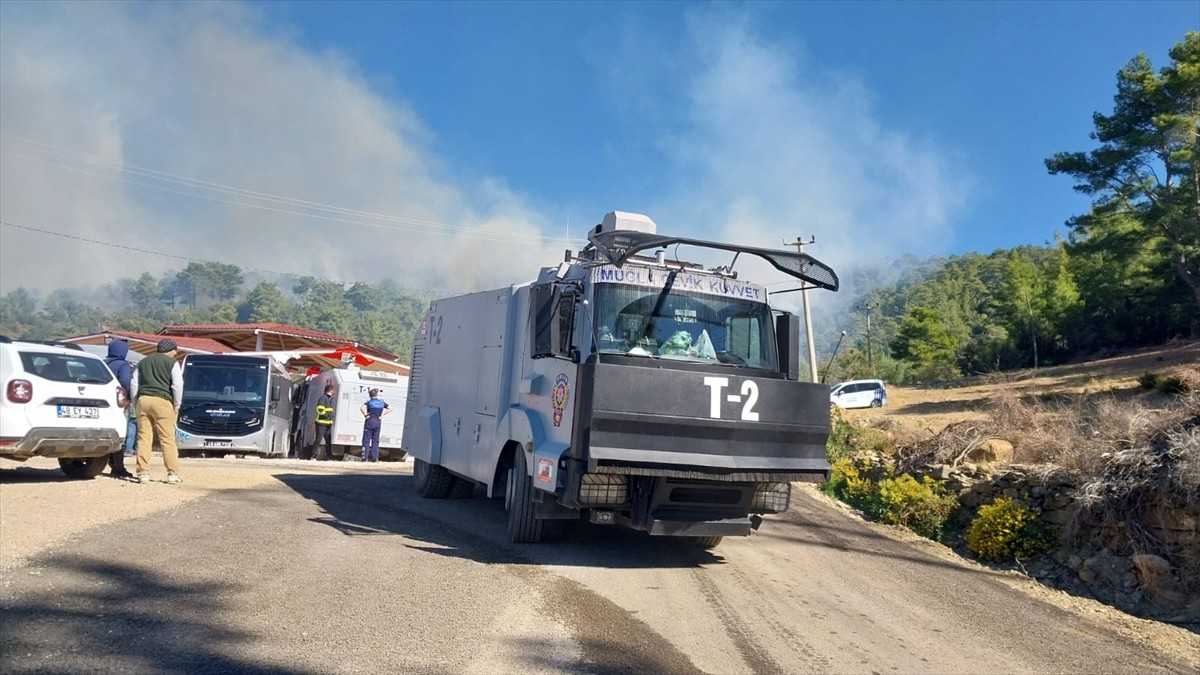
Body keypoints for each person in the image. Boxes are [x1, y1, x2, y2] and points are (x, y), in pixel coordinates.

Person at [134, 338, 184, 485]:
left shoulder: (143, 362)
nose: (175, 354)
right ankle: (172, 474)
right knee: (167, 439)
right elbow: (177, 385)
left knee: (143, 438)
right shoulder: (172, 363)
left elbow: (134, 383)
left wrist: (136, 402)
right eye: (174, 351)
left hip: (143, 400)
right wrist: (177, 404)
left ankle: (142, 473)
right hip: (163, 401)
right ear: (170, 350)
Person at [103, 340, 135, 479]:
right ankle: (118, 467)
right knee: (118, 435)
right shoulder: (123, 365)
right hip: (117, 403)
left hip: (102, 404)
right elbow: (125, 382)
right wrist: (128, 398)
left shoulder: (102, 363)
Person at [359, 388, 390, 462]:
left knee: (366, 440)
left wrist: (365, 415)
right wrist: (383, 414)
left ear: (370, 395)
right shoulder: (382, 402)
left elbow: (361, 408)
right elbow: (390, 408)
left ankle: (364, 457)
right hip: (378, 422)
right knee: (375, 441)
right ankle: (375, 458)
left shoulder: (369, 402)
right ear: (377, 395)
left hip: (369, 421)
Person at [312, 383, 336, 461]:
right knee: (318, 439)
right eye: (333, 390)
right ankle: (313, 456)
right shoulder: (323, 398)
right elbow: (320, 409)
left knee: (328, 441)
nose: (334, 391)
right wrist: (327, 416)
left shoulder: (329, 399)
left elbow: (330, 411)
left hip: (328, 424)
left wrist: (331, 418)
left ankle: (329, 456)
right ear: (330, 390)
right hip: (321, 423)